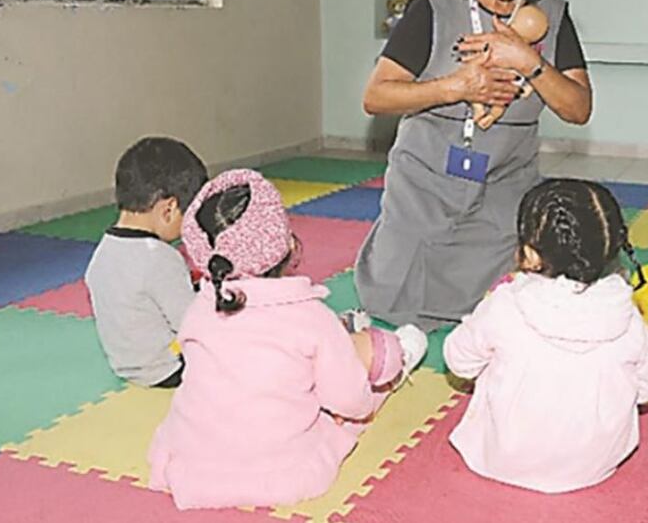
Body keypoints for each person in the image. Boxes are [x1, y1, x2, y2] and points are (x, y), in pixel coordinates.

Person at [357, 0, 593, 329]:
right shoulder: (432, 6)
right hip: (424, 184)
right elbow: (376, 96)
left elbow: (578, 108)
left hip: (504, 188)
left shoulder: (552, 16)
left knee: (503, 313)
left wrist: (529, 61)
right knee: (391, 303)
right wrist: (457, 86)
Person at [147, 169, 427, 510]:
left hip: (194, 458)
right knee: (374, 363)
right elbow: (349, 398)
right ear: (282, 241)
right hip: (279, 465)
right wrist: (366, 401)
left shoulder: (198, 309)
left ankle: (355, 337)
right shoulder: (309, 316)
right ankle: (402, 352)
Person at [443, 179, 648, 493]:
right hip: (594, 464)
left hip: (501, 458)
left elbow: (458, 361)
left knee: (492, 351)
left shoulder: (507, 303)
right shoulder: (627, 314)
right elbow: (645, 390)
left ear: (530, 254)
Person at [85, 136, 208, 387]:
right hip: (168, 369)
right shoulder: (159, 257)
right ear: (169, 209)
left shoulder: (104, 250)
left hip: (124, 365)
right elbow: (193, 324)